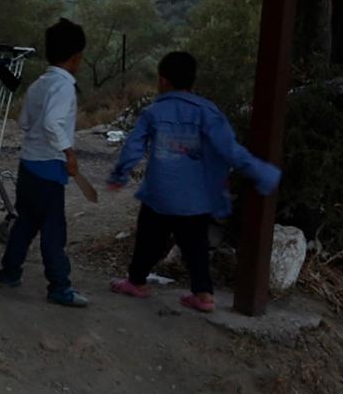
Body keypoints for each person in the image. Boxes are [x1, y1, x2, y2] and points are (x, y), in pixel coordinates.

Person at [105, 50, 280, 313]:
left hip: (159, 196)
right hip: (195, 200)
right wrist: (262, 172)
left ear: (163, 81)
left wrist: (120, 175)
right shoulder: (208, 112)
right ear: (192, 81)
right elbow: (230, 150)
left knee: (148, 241)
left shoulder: (153, 111)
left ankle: (136, 282)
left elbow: (133, 147)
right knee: (195, 247)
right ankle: (204, 295)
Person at [0, 19, 88, 307]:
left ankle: (9, 273)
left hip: (28, 166)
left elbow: (24, 121)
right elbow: (52, 122)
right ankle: (59, 286)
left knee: (25, 222)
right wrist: (69, 151)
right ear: (76, 57)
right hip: (49, 168)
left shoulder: (39, 84)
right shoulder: (64, 88)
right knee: (53, 231)